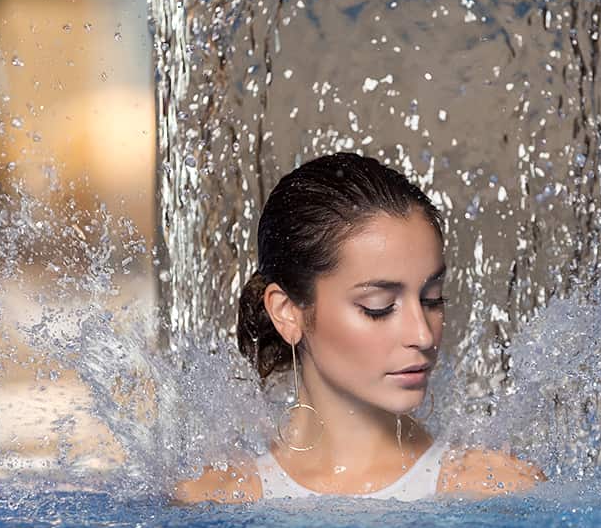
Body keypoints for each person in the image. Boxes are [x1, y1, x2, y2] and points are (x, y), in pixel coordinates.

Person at [174, 153, 544, 504]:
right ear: (288, 313)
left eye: (432, 298)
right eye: (378, 308)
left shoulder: (496, 488)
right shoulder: (213, 498)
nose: (423, 335)